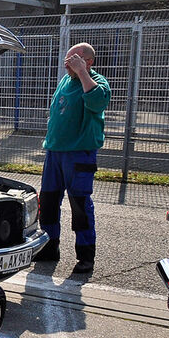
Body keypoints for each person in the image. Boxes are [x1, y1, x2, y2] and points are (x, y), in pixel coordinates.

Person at [33, 42, 111, 274]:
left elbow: (97, 101)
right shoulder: (66, 81)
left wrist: (82, 72)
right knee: (47, 202)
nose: (68, 63)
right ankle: (49, 247)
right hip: (55, 153)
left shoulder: (97, 81)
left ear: (88, 61)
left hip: (79, 154)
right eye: (67, 59)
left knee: (79, 205)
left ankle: (85, 256)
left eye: (74, 58)